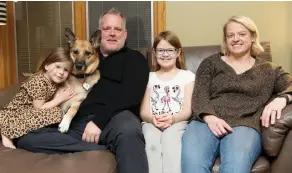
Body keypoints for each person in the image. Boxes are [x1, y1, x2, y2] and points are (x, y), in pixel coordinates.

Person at [15, 8, 149, 173]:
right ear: (100, 34)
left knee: (129, 129)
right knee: (25, 138)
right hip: (77, 119)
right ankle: (99, 147)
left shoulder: (134, 58)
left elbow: (132, 95)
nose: (112, 33)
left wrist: (98, 122)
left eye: (118, 29)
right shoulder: (80, 55)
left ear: (125, 34)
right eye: (107, 29)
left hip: (114, 118)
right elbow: (51, 72)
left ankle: (107, 143)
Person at [181, 15, 292, 173]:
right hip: (206, 122)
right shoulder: (210, 63)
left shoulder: (269, 69)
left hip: (245, 125)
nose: (235, 39)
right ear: (225, 40)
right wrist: (209, 117)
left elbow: (290, 84)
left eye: (241, 34)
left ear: (253, 37)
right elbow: (199, 95)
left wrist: (283, 98)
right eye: (230, 35)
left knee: (235, 167)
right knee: (193, 166)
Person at [140, 31, 195, 173]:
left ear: (178, 52)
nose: (165, 54)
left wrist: (174, 119)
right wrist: (152, 119)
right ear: (154, 52)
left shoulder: (187, 77)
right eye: (161, 50)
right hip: (152, 122)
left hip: (178, 122)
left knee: (170, 140)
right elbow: (144, 111)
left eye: (170, 50)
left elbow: (187, 110)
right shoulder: (149, 77)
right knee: (151, 141)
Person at [0, 47, 74, 149]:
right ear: (47, 66)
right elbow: (39, 108)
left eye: (66, 70)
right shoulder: (39, 82)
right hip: (17, 111)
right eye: (58, 67)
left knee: (57, 113)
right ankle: (6, 131)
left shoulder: (53, 80)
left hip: (30, 111)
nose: (61, 72)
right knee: (56, 113)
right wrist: (60, 98)